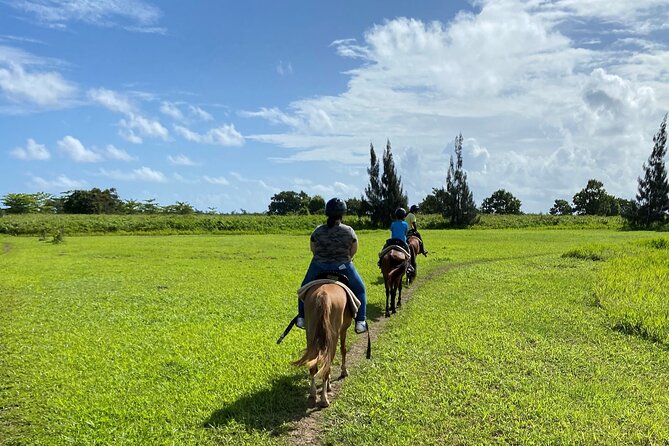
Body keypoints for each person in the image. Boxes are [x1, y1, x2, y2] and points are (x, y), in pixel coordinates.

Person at [296, 198, 368, 334]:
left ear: (327, 213)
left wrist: (322, 259)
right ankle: (360, 321)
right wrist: (346, 259)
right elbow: (353, 250)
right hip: (343, 266)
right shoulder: (349, 231)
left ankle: (302, 318)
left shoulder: (318, 231)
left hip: (318, 265)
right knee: (360, 290)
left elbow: (313, 248)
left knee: (303, 290)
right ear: (343, 214)